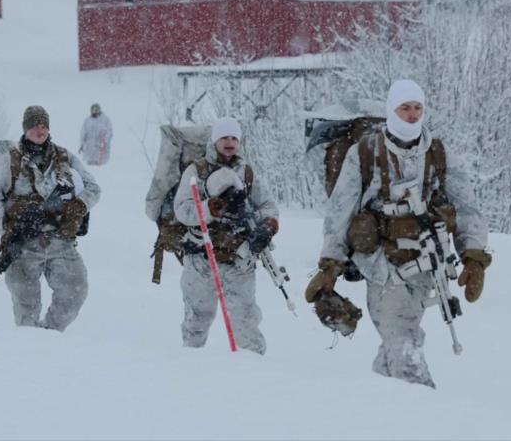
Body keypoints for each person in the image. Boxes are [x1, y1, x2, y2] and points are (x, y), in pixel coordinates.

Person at [305, 79, 491, 388]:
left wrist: (474, 258)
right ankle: (424, 408)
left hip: (424, 266)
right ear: (392, 110)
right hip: (380, 265)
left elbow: (467, 207)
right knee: (403, 341)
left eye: (418, 107)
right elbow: (340, 211)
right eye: (405, 107)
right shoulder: (364, 153)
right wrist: (330, 266)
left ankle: (384, 404)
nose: (412, 114)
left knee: (396, 339)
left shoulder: (439, 153)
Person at [0, 105, 101, 331]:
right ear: (26, 129)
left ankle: (50, 335)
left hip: (60, 242)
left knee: (75, 291)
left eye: (44, 126)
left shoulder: (64, 157)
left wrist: (78, 206)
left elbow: (93, 188)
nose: (41, 130)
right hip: (23, 246)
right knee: (27, 309)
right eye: (35, 126)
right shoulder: (10, 161)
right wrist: (6, 227)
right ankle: (29, 349)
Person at [172, 117, 279, 353]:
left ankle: (255, 370)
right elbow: (182, 210)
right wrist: (210, 208)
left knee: (245, 320)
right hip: (201, 258)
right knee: (197, 320)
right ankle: (189, 365)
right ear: (214, 141)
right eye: (224, 137)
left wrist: (268, 225)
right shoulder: (196, 171)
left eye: (234, 138)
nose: (229, 142)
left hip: (238, 259)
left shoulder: (247, 173)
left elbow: (268, 205)